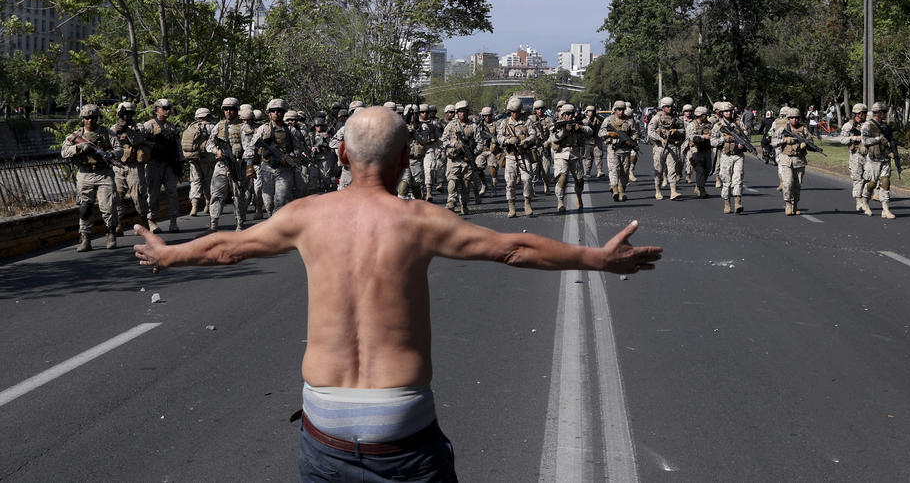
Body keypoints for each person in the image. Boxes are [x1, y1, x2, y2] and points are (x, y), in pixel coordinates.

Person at [133, 106, 660, 482]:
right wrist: (598, 258)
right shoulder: (421, 220)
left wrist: (169, 254)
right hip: (400, 423)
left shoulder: (305, 216)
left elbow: (227, 247)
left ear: (342, 153)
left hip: (325, 420)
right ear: (406, 159)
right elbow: (513, 249)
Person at [62, 103, 122, 251]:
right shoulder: (76, 135)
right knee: (85, 207)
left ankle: (111, 233)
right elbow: (64, 152)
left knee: (108, 206)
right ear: (82, 119)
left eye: (93, 118)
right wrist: (79, 147)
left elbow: (119, 149)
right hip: (85, 173)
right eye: (87, 118)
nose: (90, 121)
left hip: (104, 173)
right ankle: (85, 238)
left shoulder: (107, 133)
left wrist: (111, 154)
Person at [206, 97, 248, 232]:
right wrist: (216, 151)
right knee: (216, 194)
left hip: (237, 165)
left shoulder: (243, 127)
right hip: (221, 165)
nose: (228, 111)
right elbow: (209, 144)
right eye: (226, 109)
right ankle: (213, 223)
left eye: (231, 109)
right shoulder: (219, 126)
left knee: (238, 195)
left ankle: (240, 223)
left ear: (237, 110)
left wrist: (241, 158)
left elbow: (249, 148)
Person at [143, 98, 184, 233]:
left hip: (169, 165)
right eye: (164, 108)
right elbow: (139, 141)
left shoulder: (171, 127)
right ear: (157, 110)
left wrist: (180, 162)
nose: (168, 111)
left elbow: (177, 145)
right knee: (153, 195)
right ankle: (152, 221)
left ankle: (173, 221)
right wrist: (153, 146)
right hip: (154, 164)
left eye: (169, 109)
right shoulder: (149, 125)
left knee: (173, 193)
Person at [111, 101, 150, 235]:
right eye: (124, 114)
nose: (126, 116)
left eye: (129, 114)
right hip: (119, 166)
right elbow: (111, 140)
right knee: (117, 196)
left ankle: (144, 223)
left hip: (134, 166)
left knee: (138, 195)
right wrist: (119, 127)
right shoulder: (115, 127)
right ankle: (117, 224)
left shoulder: (138, 126)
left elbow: (136, 141)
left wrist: (127, 128)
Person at [496, 97, 537, 217]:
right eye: (513, 111)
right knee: (510, 182)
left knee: (527, 179)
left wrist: (525, 141)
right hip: (510, 156)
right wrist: (508, 140)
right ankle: (512, 207)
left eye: (517, 111)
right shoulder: (505, 123)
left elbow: (533, 135)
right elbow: (499, 137)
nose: (515, 114)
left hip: (524, 155)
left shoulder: (527, 121)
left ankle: (527, 203)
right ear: (509, 111)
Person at [549, 103, 592, 212]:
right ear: (563, 114)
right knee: (562, 178)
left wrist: (580, 127)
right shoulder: (557, 125)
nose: (570, 116)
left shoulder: (578, 123)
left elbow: (590, 131)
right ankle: (560, 201)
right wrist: (564, 131)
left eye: (571, 114)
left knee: (580, 180)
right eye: (567, 114)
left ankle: (579, 197)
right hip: (561, 154)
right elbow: (554, 138)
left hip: (575, 154)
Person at [772, 108, 814, 215]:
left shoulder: (803, 129)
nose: (794, 120)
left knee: (797, 185)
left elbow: (811, 141)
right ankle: (788, 204)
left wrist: (805, 144)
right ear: (788, 118)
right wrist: (785, 140)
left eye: (796, 118)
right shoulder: (782, 129)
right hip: (786, 159)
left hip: (799, 160)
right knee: (787, 183)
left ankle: (795, 205)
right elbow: (773, 142)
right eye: (792, 118)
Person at [859, 102, 897, 219]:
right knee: (872, 183)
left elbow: (890, 141)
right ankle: (865, 201)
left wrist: (892, 151)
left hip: (885, 158)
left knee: (885, 182)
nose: (885, 114)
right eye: (884, 112)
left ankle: (885, 209)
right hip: (873, 159)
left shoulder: (886, 126)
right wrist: (878, 139)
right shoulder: (867, 125)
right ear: (878, 113)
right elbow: (865, 140)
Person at [710, 101, 748, 214]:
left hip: (738, 155)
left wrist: (742, 144)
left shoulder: (739, 123)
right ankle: (727, 203)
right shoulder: (718, 126)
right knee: (726, 180)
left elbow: (746, 136)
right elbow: (713, 142)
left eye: (730, 111)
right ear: (722, 113)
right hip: (725, 156)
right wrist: (723, 139)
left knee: (738, 179)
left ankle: (738, 203)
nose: (728, 113)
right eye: (725, 111)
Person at [598, 100, 638, 202]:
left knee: (625, 171)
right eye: (619, 109)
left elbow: (635, 133)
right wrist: (609, 134)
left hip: (625, 150)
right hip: (613, 149)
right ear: (615, 109)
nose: (621, 111)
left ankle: (622, 191)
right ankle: (615, 190)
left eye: (622, 109)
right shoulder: (608, 120)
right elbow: (600, 132)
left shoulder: (629, 121)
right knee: (614, 170)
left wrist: (630, 140)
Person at [646, 97, 685, 200]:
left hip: (672, 146)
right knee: (658, 169)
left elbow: (683, 131)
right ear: (663, 107)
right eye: (667, 106)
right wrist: (660, 139)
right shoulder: (657, 118)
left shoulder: (675, 118)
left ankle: (673, 191)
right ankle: (658, 190)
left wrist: (676, 131)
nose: (670, 108)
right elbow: (650, 131)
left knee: (672, 169)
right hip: (660, 147)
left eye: (671, 106)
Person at [183, 108, 215, 217]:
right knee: (208, 181)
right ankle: (208, 204)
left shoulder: (191, 126)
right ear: (207, 116)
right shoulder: (211, 127)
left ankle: (194, 206)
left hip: (193, 159)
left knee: (195, 181)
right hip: (208, 159)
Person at [839, 103, 869, 212]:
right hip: (856, 155)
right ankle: (858, 201)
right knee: (857, 178)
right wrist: (854, 138)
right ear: (858, 114)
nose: (865, 114)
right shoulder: (848, 126)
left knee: (868, 178)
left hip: (869, 155)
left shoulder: (869, 124)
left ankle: (865, 199)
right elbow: (842, 139)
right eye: (863, 113)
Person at [685, 106, 713, 197]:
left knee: (708, 170)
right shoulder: (692, 125)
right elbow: (691, 136)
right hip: (696, 149)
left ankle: (699, 186)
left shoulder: (709, 124)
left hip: (707, 149)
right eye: (704, 115)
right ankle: (701, 189)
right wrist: (704, 137)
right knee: (700, 169)